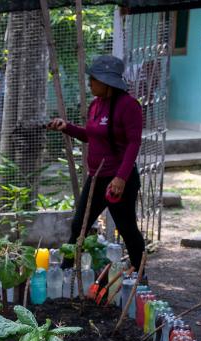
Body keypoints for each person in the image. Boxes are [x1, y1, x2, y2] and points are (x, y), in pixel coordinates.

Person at [47, 54, 147, 274]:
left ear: (107, 82)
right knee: (79, 225)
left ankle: (140, 275)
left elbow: (133, 143)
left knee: (127, 229)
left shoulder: (129, 106)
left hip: (119, 180)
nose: (90, 83)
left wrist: (121, 178)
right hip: (97, 178)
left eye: (93, 79)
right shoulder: (96, 105)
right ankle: (65, 272)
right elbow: (91, 136)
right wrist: (66, 127)